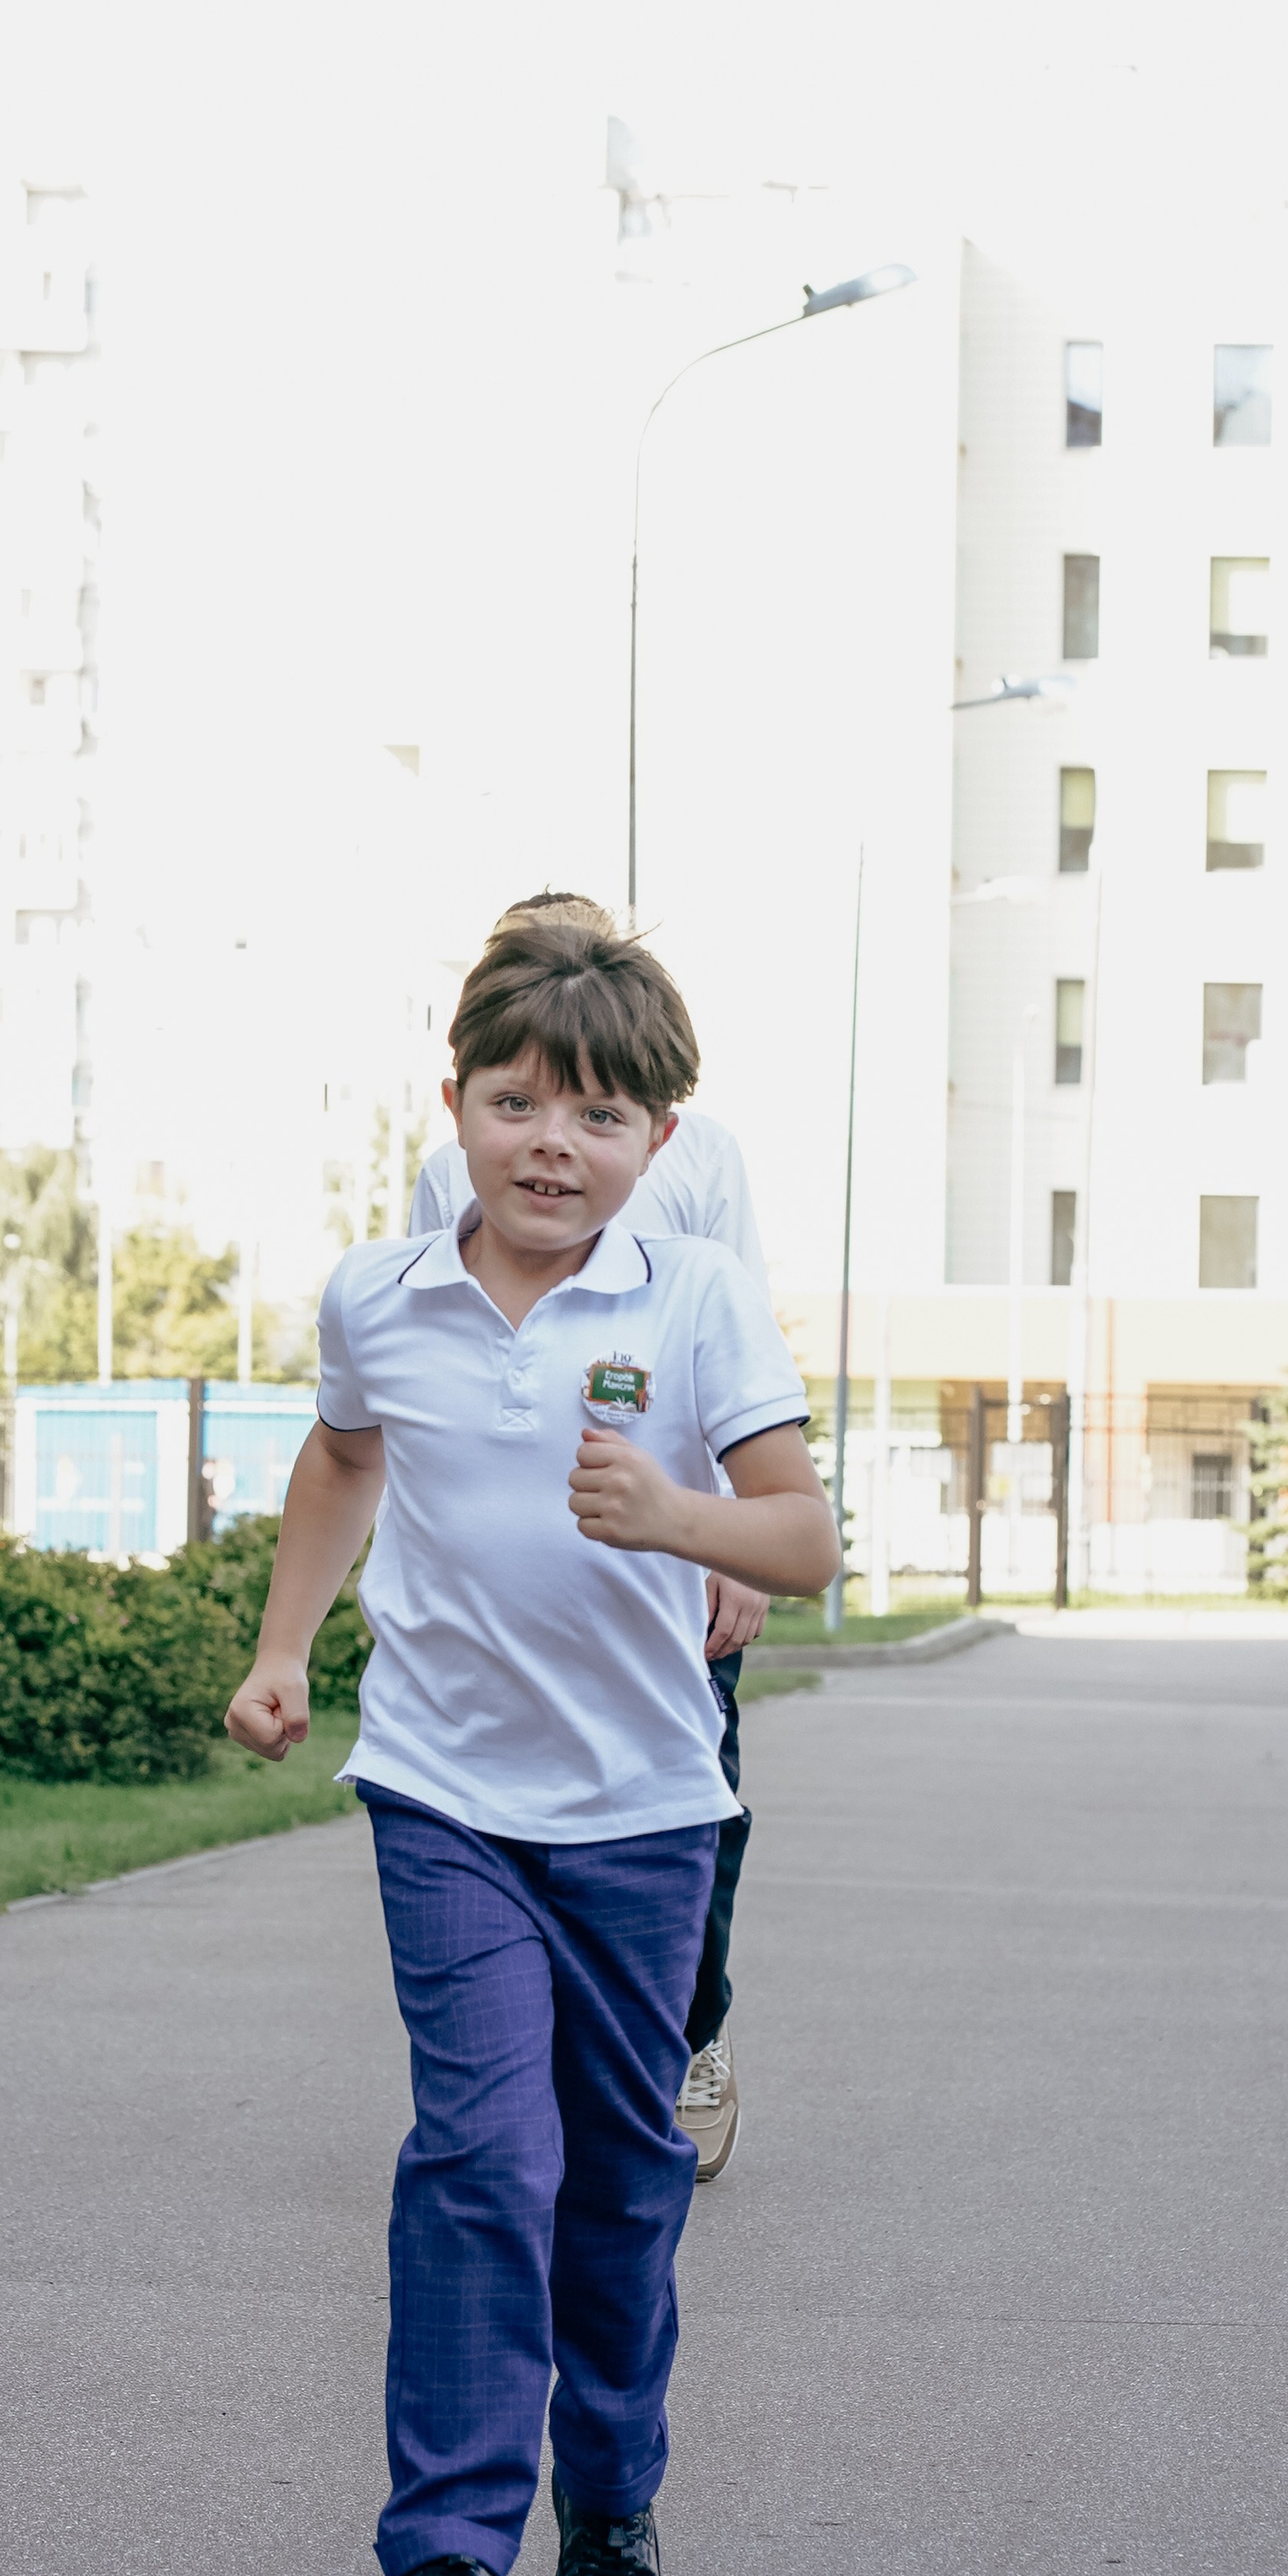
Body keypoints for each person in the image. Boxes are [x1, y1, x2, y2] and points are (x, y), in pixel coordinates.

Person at [226, 916, 837, 2576]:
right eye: (516, 1103)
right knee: (482, 2154)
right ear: (456, 1110)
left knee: (622, 2176)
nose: (551, 1144)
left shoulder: (699, 1299)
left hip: (644, 1806)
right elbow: (344, 1453)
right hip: (440, 1792)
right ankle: (442, 2552)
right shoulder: (379, 1294)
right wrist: (285, 1645)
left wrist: (679, 1520)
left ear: (658, 1143)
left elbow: (800, 1538)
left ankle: (616, 2504)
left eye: (597, 1115)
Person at [411, 892, 769, 2182]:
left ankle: (693, 2036)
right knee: (489, 1829)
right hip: (505, 1572)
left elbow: (746, 1362)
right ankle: (526, 2077)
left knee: (695, 1804)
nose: (553, 1141)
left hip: (668, 1554)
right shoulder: (457, 1158)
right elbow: (415, 1365)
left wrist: (723, 1539)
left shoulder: (702, 1157)